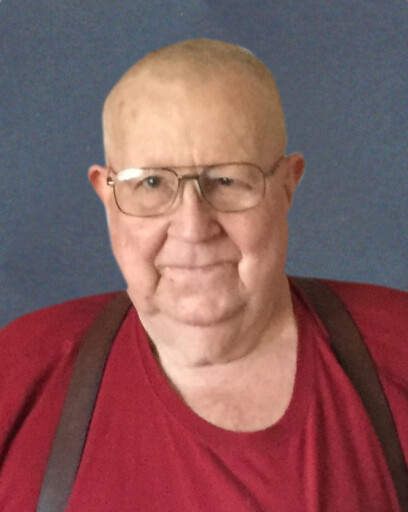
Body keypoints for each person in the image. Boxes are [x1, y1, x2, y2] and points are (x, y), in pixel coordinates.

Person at [0, 39, 407, 512]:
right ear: (107, 196)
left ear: (287, 184)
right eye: (151, 182)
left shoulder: (398, 347)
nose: (193, 228)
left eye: (227, 180)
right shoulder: (16, 375)